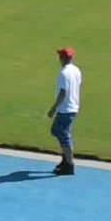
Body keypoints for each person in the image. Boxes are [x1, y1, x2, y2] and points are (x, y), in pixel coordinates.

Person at [48, 45, 82, 176]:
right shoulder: (76, 70)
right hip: (73, 106)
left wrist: (53, 109)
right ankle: (65, 159)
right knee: (60, 132)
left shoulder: (63, 73)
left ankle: (69, 163)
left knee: (62, 134)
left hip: (65, 109)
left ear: (61, 58)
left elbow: (62, 93)